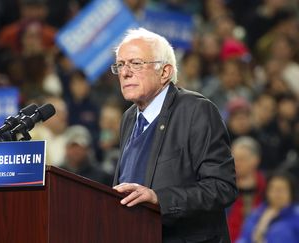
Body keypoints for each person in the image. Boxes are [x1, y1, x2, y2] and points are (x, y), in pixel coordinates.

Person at [111, 28, 237, 242]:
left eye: (136, 63)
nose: (125, 72)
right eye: (121, 65)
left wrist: (160, 199)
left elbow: (222, 187)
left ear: (165, 72)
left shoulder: (196, 110)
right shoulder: (129, 118)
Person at [236, 171, 299, 243]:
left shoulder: (296, 216)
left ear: (291, 192)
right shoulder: (256, 214)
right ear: (267, 191)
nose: (277, 193)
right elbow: (243, 238)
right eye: (273, 188)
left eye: (282, 189)